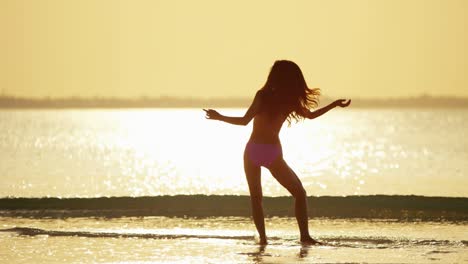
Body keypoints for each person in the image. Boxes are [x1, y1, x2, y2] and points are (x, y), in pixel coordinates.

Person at [204, 60, 351, 245]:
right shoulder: (289, 100)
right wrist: (334, 104)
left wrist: (219, 117)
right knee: (299, 193)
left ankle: (263, 240)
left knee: (256, 198)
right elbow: (311, 115)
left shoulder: (263, 95)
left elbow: (244, 121)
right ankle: (304, 237)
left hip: (253, 150)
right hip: (272, 151)